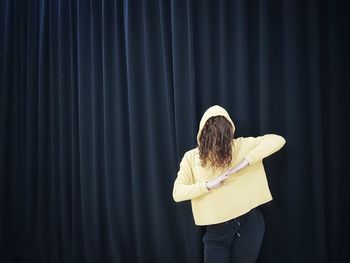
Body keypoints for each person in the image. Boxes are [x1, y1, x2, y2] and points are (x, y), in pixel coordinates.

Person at [172, 105, 286, 263]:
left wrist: (246, 162)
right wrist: (208, 185)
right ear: (203, 135)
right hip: (216, 232)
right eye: (212, 137)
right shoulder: (191, 158)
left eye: (222, 137)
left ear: (229, 133)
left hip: (249, 223)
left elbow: (278, 140)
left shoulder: (239, 145)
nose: (217, 143)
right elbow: (177, 193)